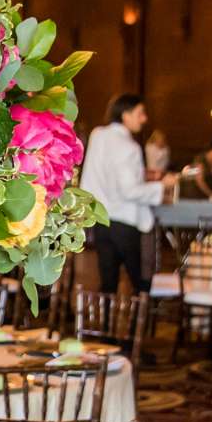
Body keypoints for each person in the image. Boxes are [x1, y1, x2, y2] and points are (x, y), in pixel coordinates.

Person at [80, 93, 175, 293]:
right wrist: (163, 185)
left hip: (101, 220)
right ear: (125, 115)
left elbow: (105, 175)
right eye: (140, 113)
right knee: (140, 283)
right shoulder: (129, 146)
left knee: (108, 284)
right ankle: (140, 323)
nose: (144, 119)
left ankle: (104, 324)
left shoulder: (98, 135)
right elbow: (130, 191)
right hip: (125, 222)